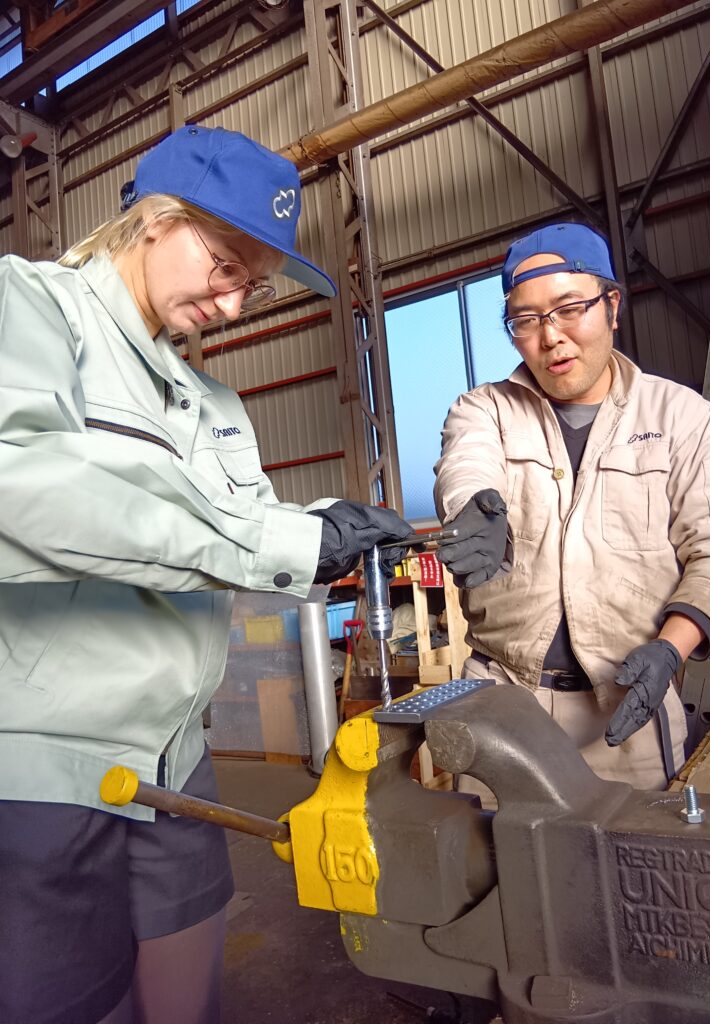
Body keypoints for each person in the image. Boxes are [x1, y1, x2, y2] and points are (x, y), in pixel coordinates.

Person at [0, 125, 413, 1024]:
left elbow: (241, 525)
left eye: (251, 286)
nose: (232, 306)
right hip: (47, 766)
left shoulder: (211, 401)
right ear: (155, 220)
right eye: (225, 267)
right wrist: (285, 544)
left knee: (188, 997)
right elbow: (24, 487)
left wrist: (347, 529)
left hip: (181, 756)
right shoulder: (31, 309)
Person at [434, 221, 710, 802]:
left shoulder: (679, 416)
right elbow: (466, 466)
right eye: (526, 320)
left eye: (569, 309)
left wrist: (671, 648)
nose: (550, 337)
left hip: (629, 708)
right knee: (489, 855)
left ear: (612, 306)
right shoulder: (485, 409)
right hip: (503, 704)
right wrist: (476, 509)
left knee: (629, 856)